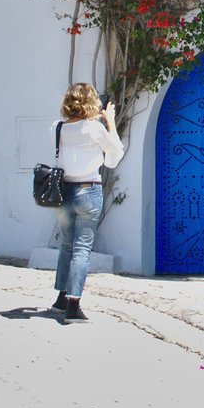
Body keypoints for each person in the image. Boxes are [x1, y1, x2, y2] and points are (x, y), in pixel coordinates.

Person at [51, 83, 123, 323]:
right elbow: (115, 155)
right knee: (82, 248)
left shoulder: (57, 127)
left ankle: (60, 299)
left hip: (64, 191)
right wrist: (110, 121)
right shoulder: (94, 129)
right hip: (88, 190)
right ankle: (73, 304)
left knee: (66, 246)